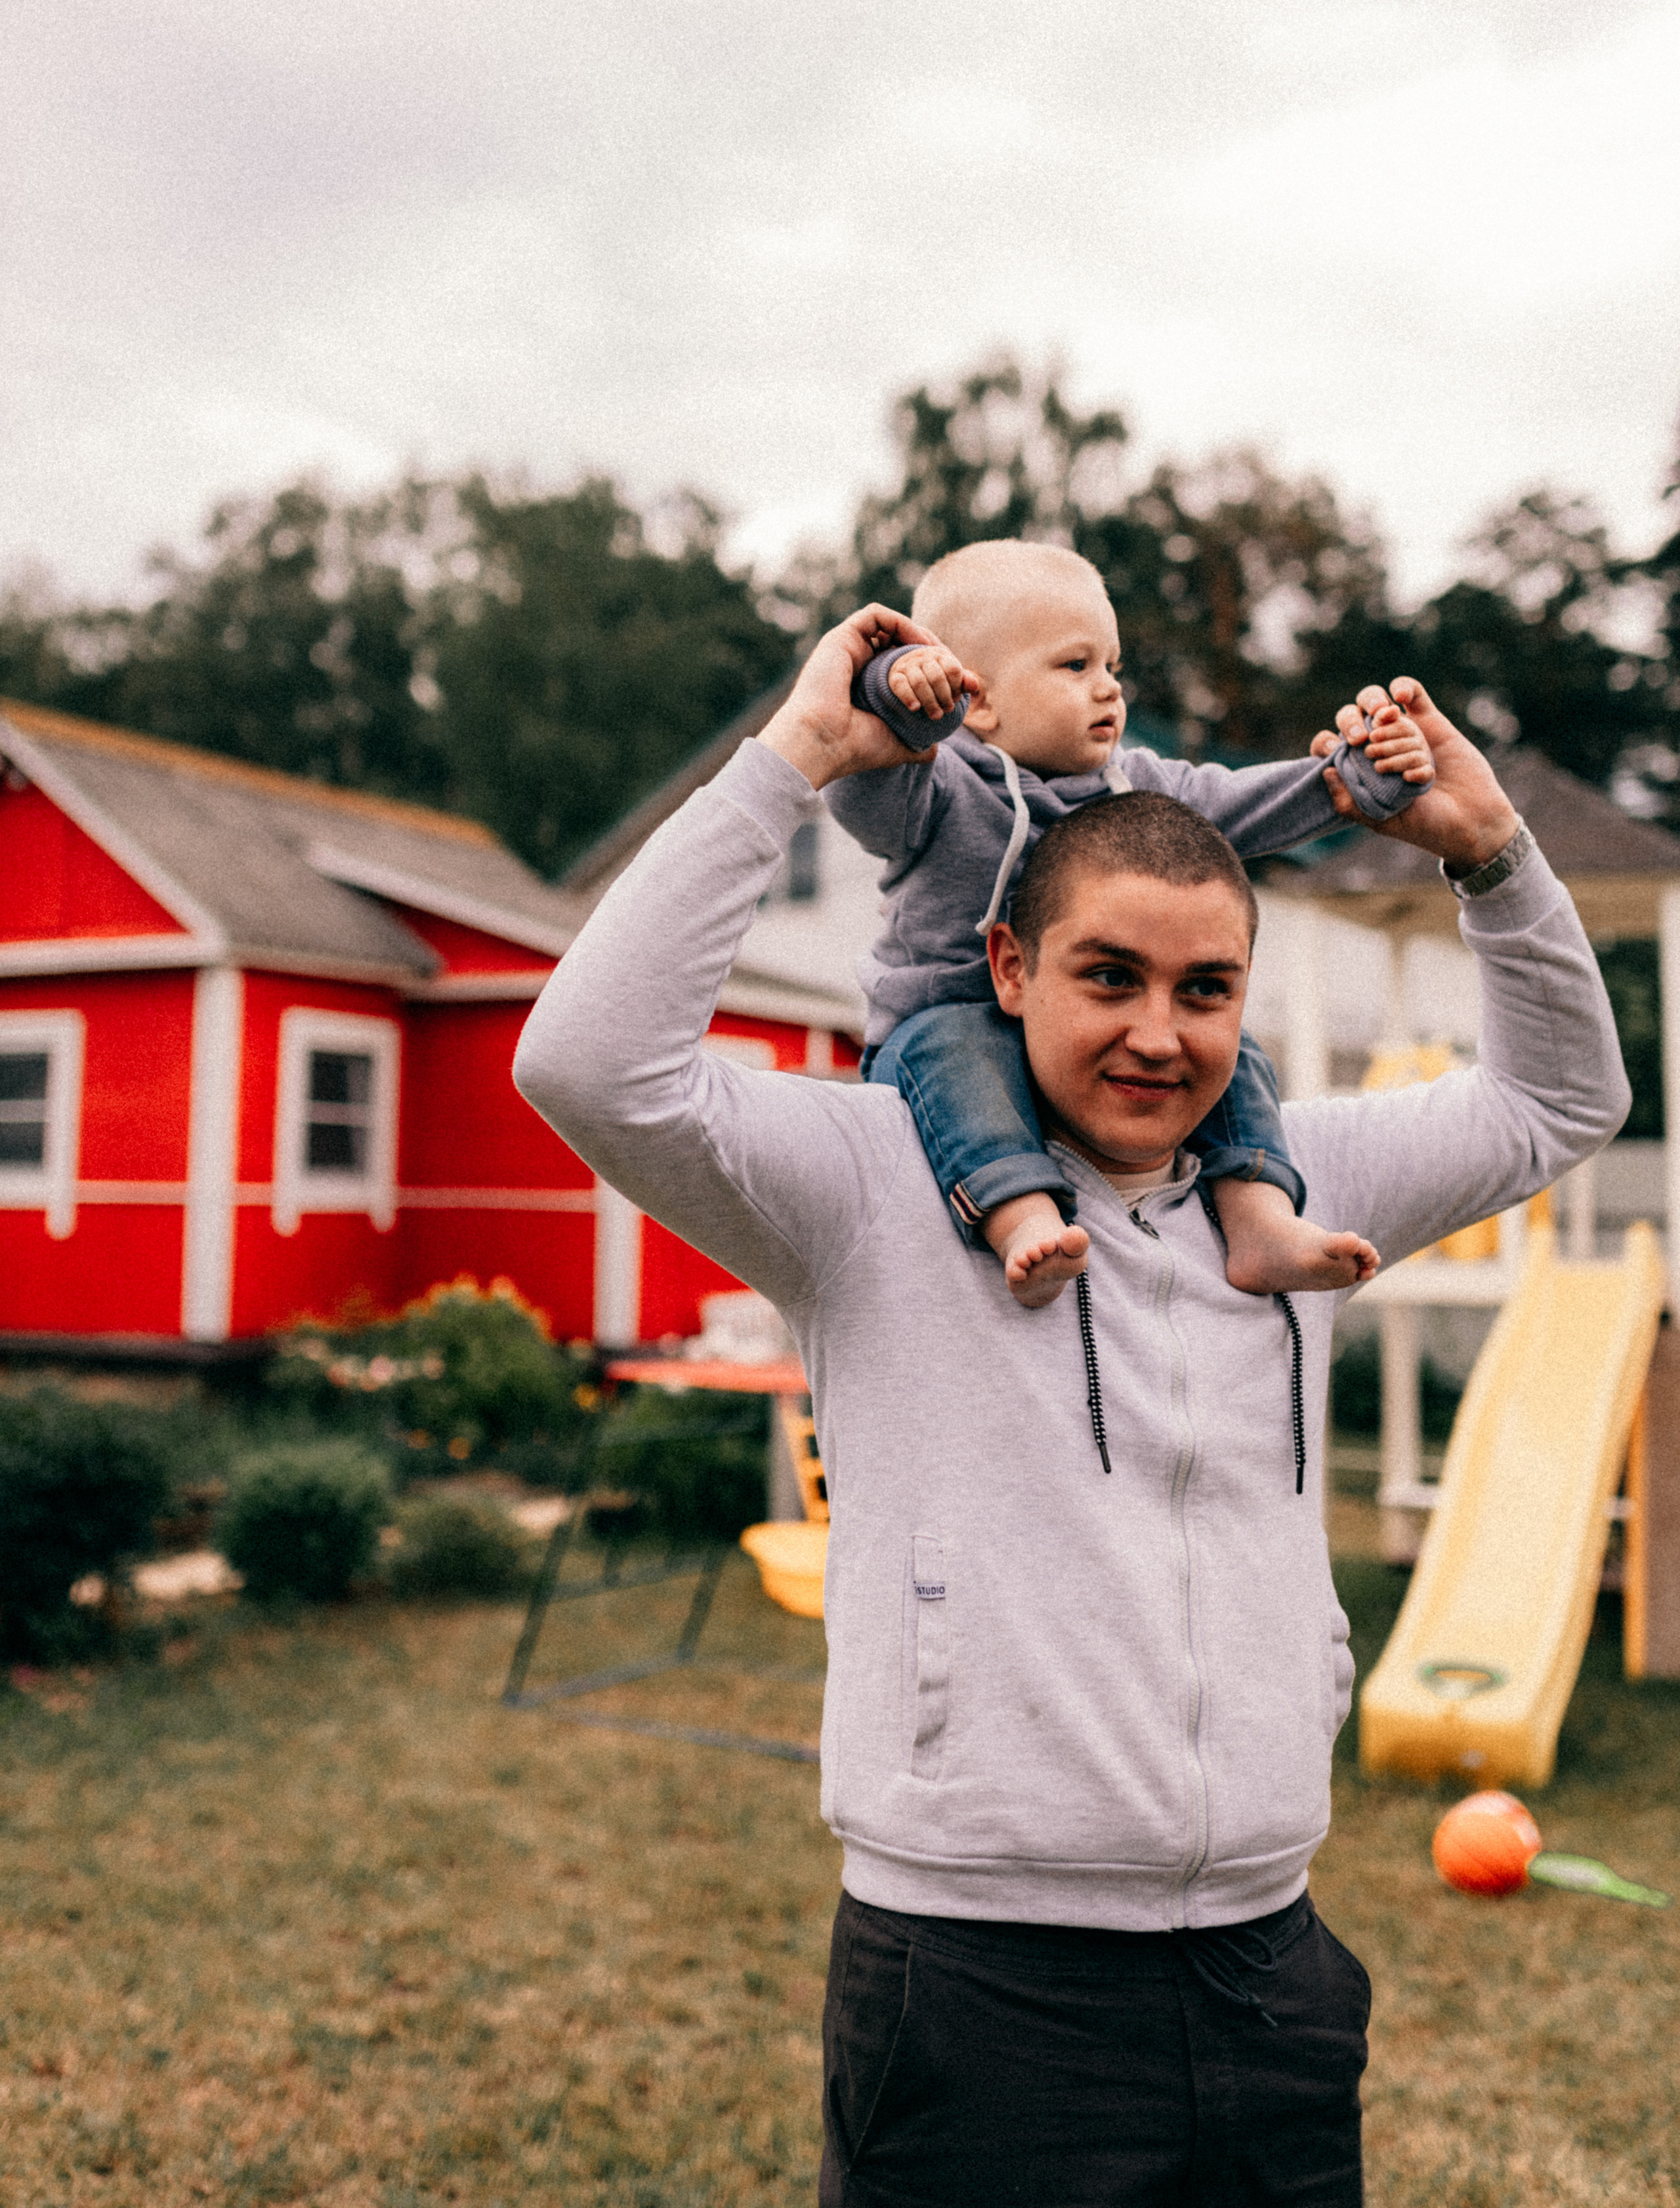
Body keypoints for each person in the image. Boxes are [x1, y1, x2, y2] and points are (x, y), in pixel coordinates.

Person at [512, 605, 1629, 2206]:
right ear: (1005, 963)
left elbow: (1561, 1097)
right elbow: (589, 1064)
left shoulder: (1298, 1182)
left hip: (1269, 1968)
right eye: (1106, 976)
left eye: (1203, 988)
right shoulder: (867, 1184)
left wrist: (1495, 854)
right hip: (977, 1988)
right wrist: (796, 757)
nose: (1156, 1035)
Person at [828, 539, 1432, 1306]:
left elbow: (1237, 807)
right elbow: (861, 785)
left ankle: (1257, 1218)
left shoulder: (1132, 785)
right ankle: (1022, 1221)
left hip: (1090, 1038)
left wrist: (1348, 781)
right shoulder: (937, 786)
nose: (1109, 691)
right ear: (975, 699)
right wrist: (896, 692)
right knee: (957, 1059)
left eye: (1112, 668)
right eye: (1075, 667)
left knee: (1232, 1054)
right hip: (952, 1018)